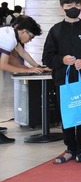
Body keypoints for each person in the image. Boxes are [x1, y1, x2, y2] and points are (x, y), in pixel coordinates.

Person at [42, 0, 81, 164]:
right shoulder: (56, 30)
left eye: (76, 5)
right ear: (62, 8)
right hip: (63, 82)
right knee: (67, 115)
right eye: (68, 5)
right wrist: (62, 60)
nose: (73, 8)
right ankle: (70, 149)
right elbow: (47, 58)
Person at [0, 14, 46, 144]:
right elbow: (3, 65)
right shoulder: (9, 39)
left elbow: (22, 53)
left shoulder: (11, 33)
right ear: (24, 31)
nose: (30, 40)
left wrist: (37, 67)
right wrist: (28, 70)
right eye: (31, 37)